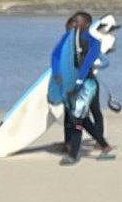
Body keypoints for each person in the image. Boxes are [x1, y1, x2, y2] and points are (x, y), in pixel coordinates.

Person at [47, 9, 112, 162]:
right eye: (74, 22)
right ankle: (104, 146)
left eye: (77, 22)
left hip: (87, 84)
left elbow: (87, 63)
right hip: (70, 84)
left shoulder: (94, 42)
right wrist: (57, 74)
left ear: (87, 24)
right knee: (82, 119)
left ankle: (73, 155)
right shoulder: (67, 39)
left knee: (78, 117)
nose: (74, 24)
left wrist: (79, 80)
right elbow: (55, 55)